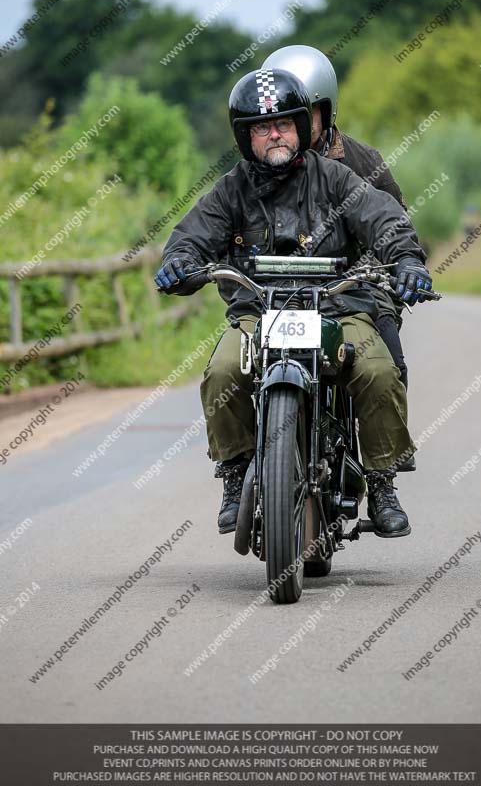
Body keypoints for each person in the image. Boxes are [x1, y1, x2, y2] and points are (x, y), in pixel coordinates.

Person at [155, 69, 431, 540]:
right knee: (222, 372)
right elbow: (191, 238)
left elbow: (384, 219)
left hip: (338, 306)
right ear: (246, 137)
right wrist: (179, 263)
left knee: (379, 370)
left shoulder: (338, 178)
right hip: (257, 309)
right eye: (262, 127)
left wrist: (406, 259)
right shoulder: (230, 190)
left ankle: (382, 482)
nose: (275, 134)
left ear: (302, 127)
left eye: (284, 124)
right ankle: (236, 475)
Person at [263, 45, 411, 390]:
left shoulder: (363, 162)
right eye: (282, 115)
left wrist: (396, 269)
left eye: (302, 114)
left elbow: (394, 226)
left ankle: (388, 446)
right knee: (233, 373)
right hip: (274, 295)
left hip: (355, 291)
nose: (290, 126)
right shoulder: (257, 165)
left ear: (325, 111)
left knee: (389, 371)